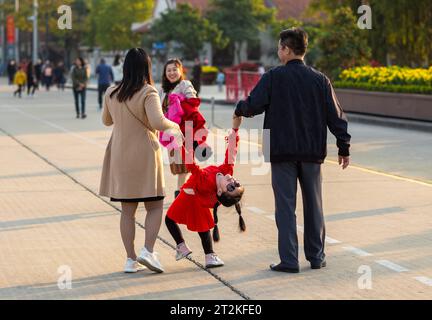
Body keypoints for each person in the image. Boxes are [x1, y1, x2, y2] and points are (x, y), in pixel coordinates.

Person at [234, 27, 351, 273]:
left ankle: (289, 261)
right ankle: (316, 257)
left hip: (280, 151)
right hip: (312, 151)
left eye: (279, 47)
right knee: (314, 204)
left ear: (286, 49)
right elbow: (336, 115)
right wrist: (343, 145)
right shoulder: (320, 80)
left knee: (285, 207)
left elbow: (253, 105)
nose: (278, 51)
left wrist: (239, 109)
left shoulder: (273, 77)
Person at [99, 48, 183, 274]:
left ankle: (130, 259)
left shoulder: (111, 92)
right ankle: (148, 250)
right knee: (155, 206)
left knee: (128, 211)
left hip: (119, 153)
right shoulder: (149, 92)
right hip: (145, 154)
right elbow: (157, 122)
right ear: (146, 67)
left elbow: (106, 120)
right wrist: (175, 126)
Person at [165, 115, 245, 268]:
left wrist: (184, 143)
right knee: (203, 228)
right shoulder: (226, 170)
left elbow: (191, 165)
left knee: (170, 220)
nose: (233, 182)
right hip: (196, 197)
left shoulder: (206, 180)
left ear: (220, 192)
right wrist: (235, 128)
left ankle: (183, 247)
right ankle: (209, 256)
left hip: (190, 194)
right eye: (237, 183)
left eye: (231, 187)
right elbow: (232, 152)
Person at [160, 58, 211, 199]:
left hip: (185, 131)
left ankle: (180, 194)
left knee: (183, 165)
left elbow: (194, 103)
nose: (171, 73)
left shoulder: (184, 84)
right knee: (178, 165)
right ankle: (191, 190)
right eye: (168, 70)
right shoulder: (163, 90)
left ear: (181, 71)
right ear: (165, 73)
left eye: (174, 69)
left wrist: (180, 100)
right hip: (171, 132)